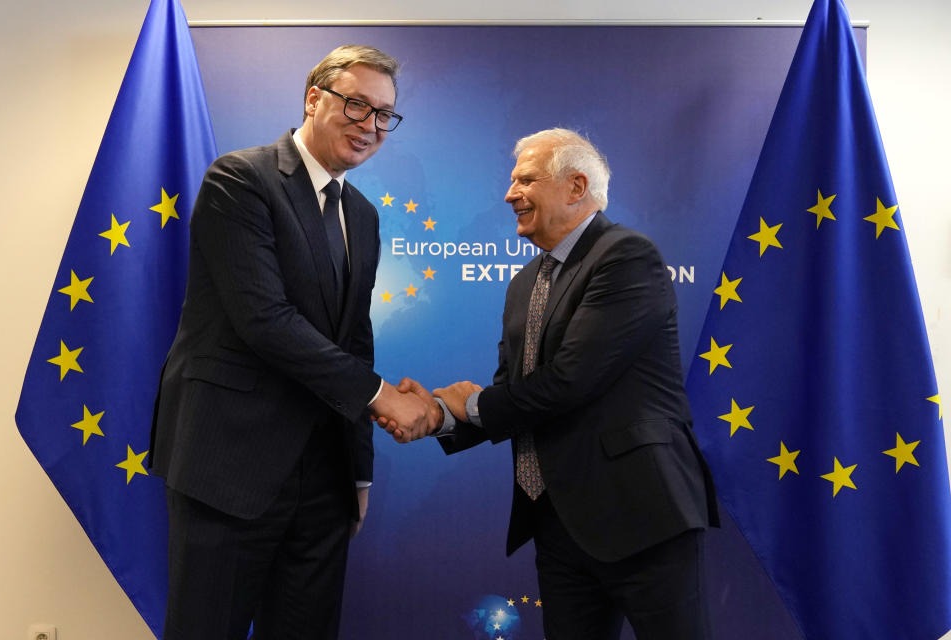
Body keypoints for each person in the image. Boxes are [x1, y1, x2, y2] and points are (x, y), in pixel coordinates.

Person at [148, 45, 438, 640]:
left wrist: (358, 474)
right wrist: (383, 398)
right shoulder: (241, 178)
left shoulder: (362, 213)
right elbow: (265, 321)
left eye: (385, 115)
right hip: (230, 466)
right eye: (357, 105)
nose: (371, 126)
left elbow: (354, 339)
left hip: (324, 481)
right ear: (314, 98)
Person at [389, 128, 719, 640]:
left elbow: (569, 381)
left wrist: (464, 405)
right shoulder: (525, 282)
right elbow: (515, 390)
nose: (508, 194)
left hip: (642, 516)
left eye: (525, 180)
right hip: (558, 522)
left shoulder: (625, 256)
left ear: (575, 186)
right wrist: (439, 416)